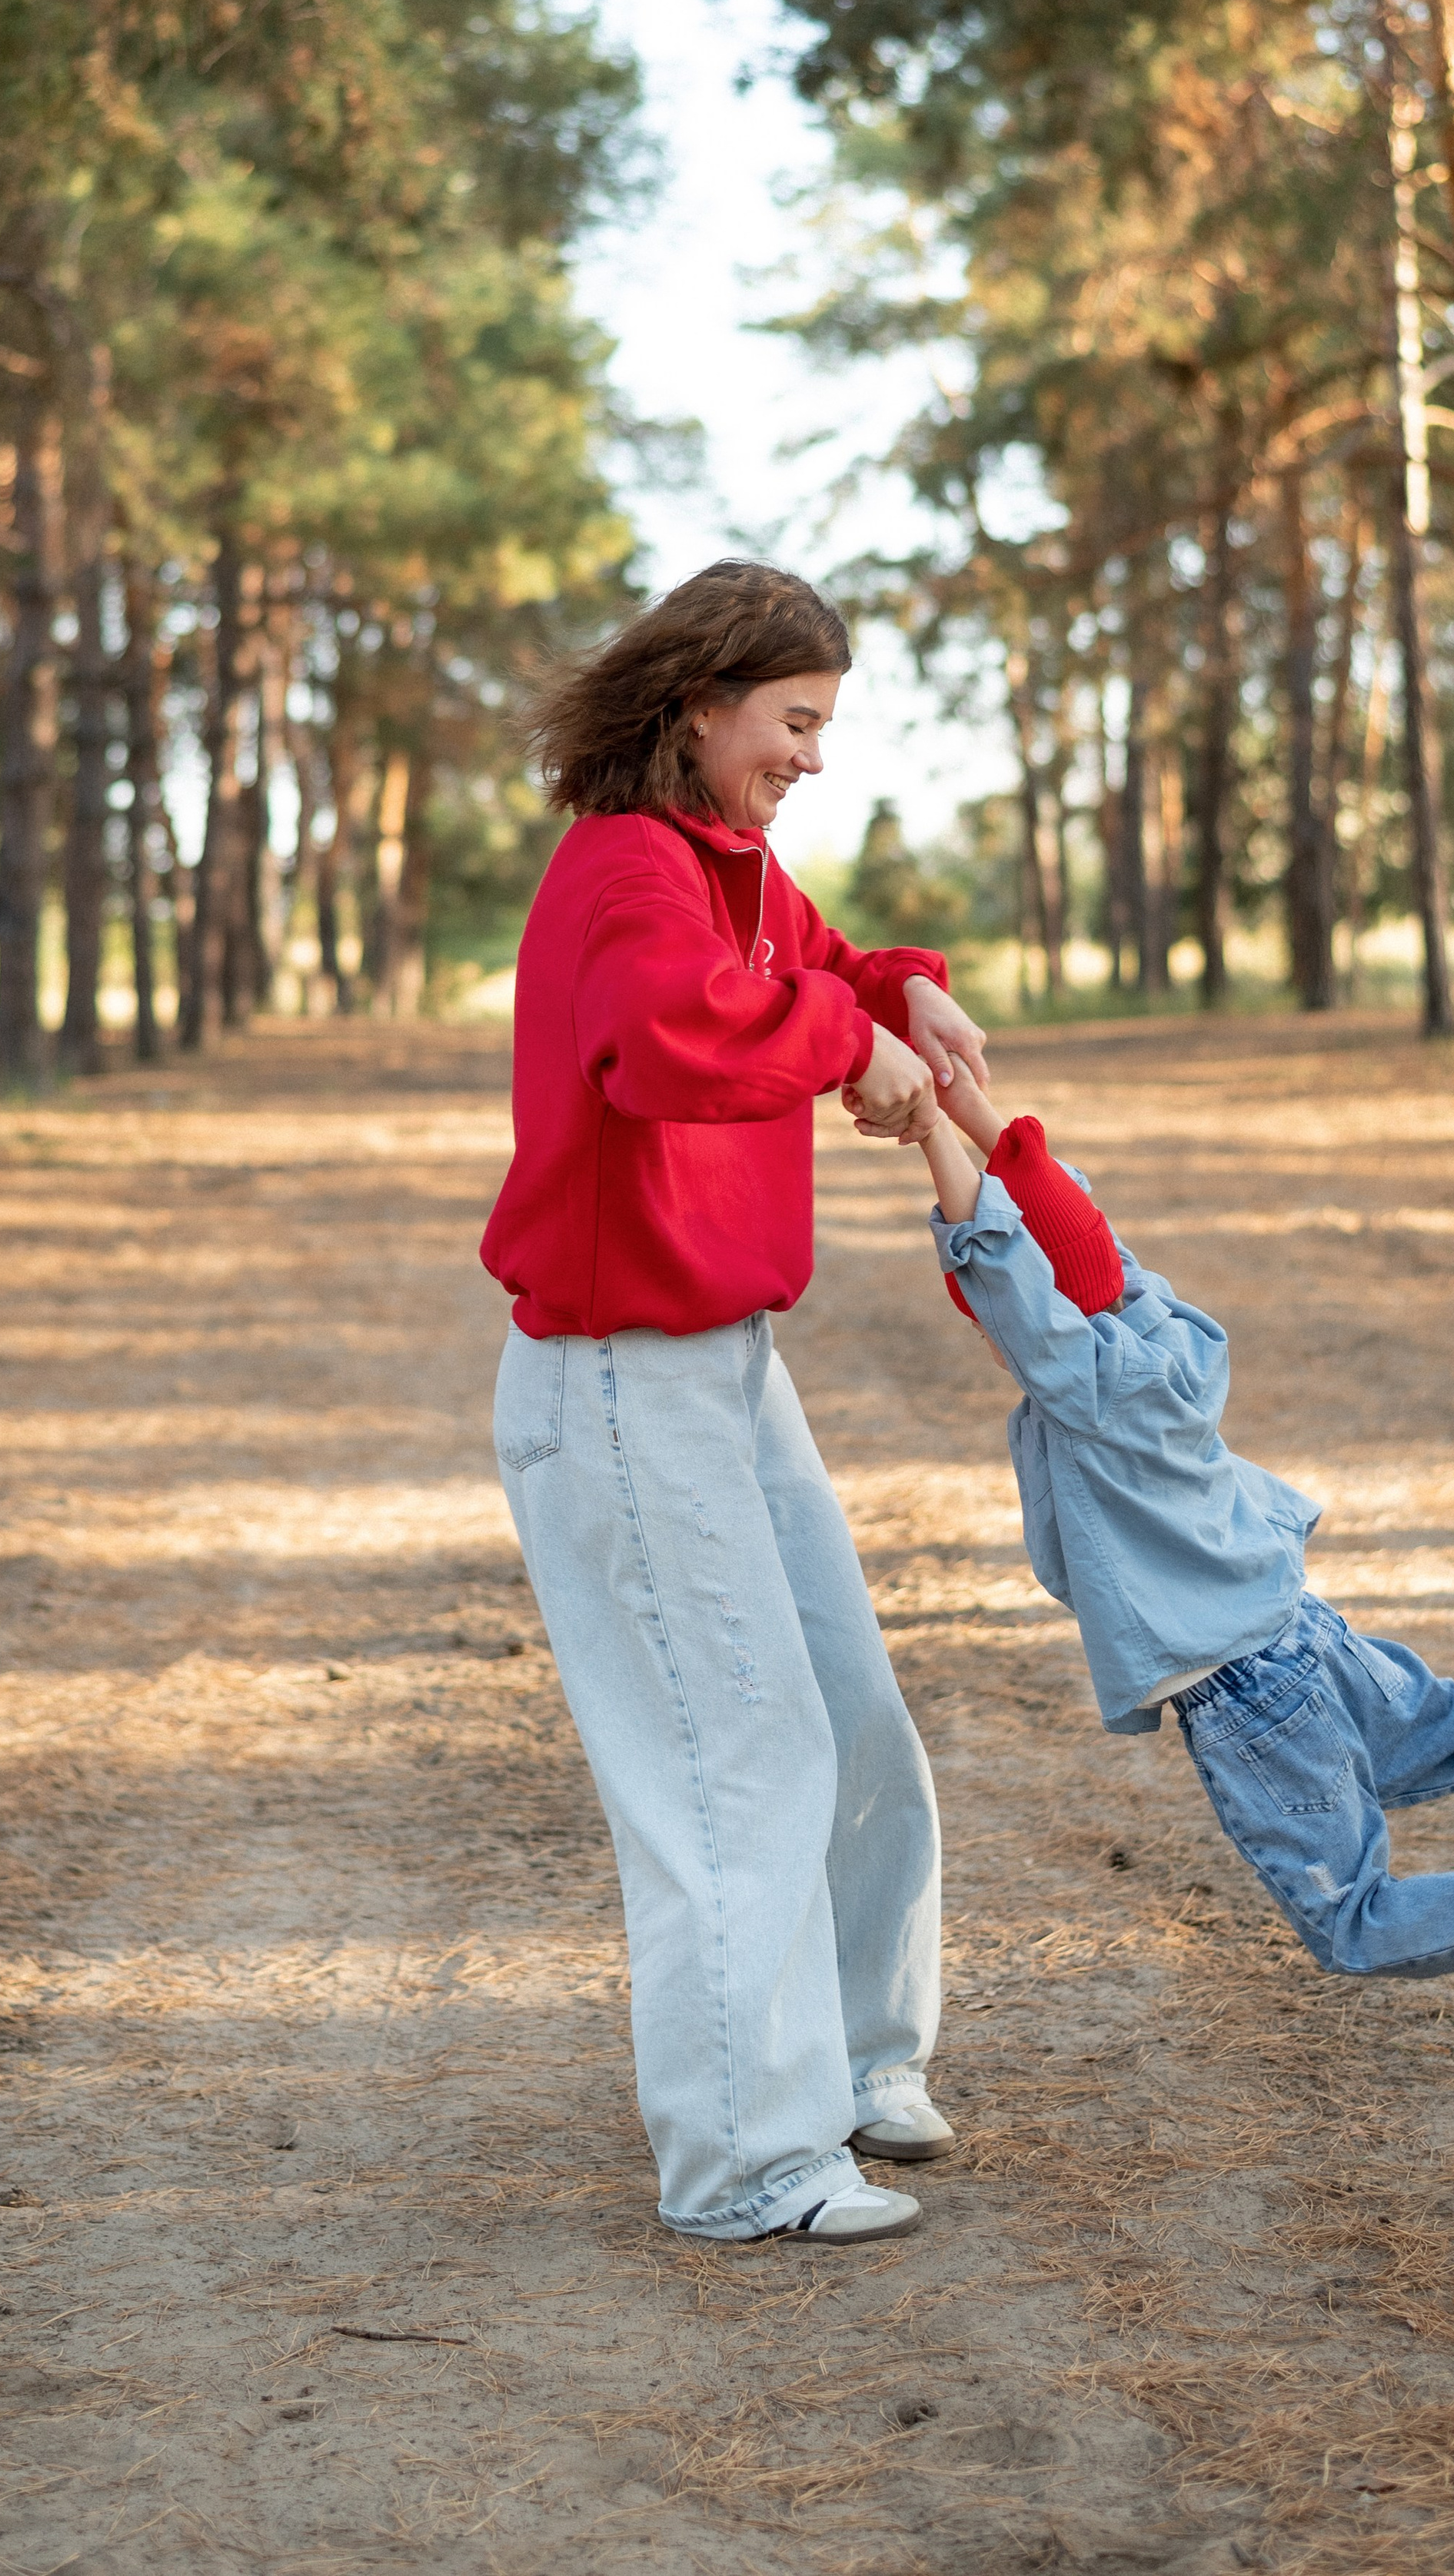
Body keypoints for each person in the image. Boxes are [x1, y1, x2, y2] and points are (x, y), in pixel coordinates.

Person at [481, 559, 992, 2244]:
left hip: (723, 1368)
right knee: (734, 1757)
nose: (809, 758)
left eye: (821, 726)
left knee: (848, 1722)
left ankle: (848, 2069)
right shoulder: (630, 870)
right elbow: (654, 1036)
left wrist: (895, 988)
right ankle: (745, 2164)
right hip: (620, 1378)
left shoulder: (731, 864)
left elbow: (814, 961)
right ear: (694, 707)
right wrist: (840, 1054)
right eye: (792, 723)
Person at [907, 1062, 1454, 1983]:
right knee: (1449, 1731)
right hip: (1296, 1632)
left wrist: (931, 1128)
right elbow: (1074, 1232)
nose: (992, 1336)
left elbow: (1013, 1277)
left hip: (1240, 1692)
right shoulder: (1154, 1327)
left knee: (1352, 1922)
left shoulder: (1088, 1395)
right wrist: (973, 1110)